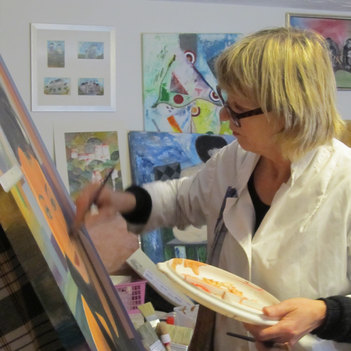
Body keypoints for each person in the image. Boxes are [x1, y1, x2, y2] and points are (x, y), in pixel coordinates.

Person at [75, 27, 351, 351]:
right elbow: (182, 198)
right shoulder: (237, 158)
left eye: (236, 109)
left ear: (287, 112)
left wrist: (323, 313)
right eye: (226, 101)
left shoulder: (343, 181)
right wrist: (120, 201)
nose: (222, 116)